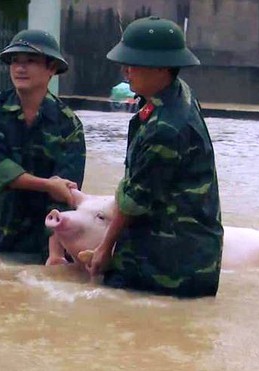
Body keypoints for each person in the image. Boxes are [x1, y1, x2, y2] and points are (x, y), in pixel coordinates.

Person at [86, 17, 224, 298]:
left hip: (167, 264)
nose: (125, 70)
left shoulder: (166, 129)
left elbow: (133, 201)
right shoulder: (176, 93)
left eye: (134, 63)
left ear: (162, 67)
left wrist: (103, 248)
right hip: (185, 252)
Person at [0, 29, 87, 265]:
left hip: (46, 241)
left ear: (52, 68)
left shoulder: (68, 123)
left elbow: (66, 192)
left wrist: (55, 254)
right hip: (3, 236)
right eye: (15, 61)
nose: (20, 68)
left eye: (31, 61)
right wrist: (47, 184)